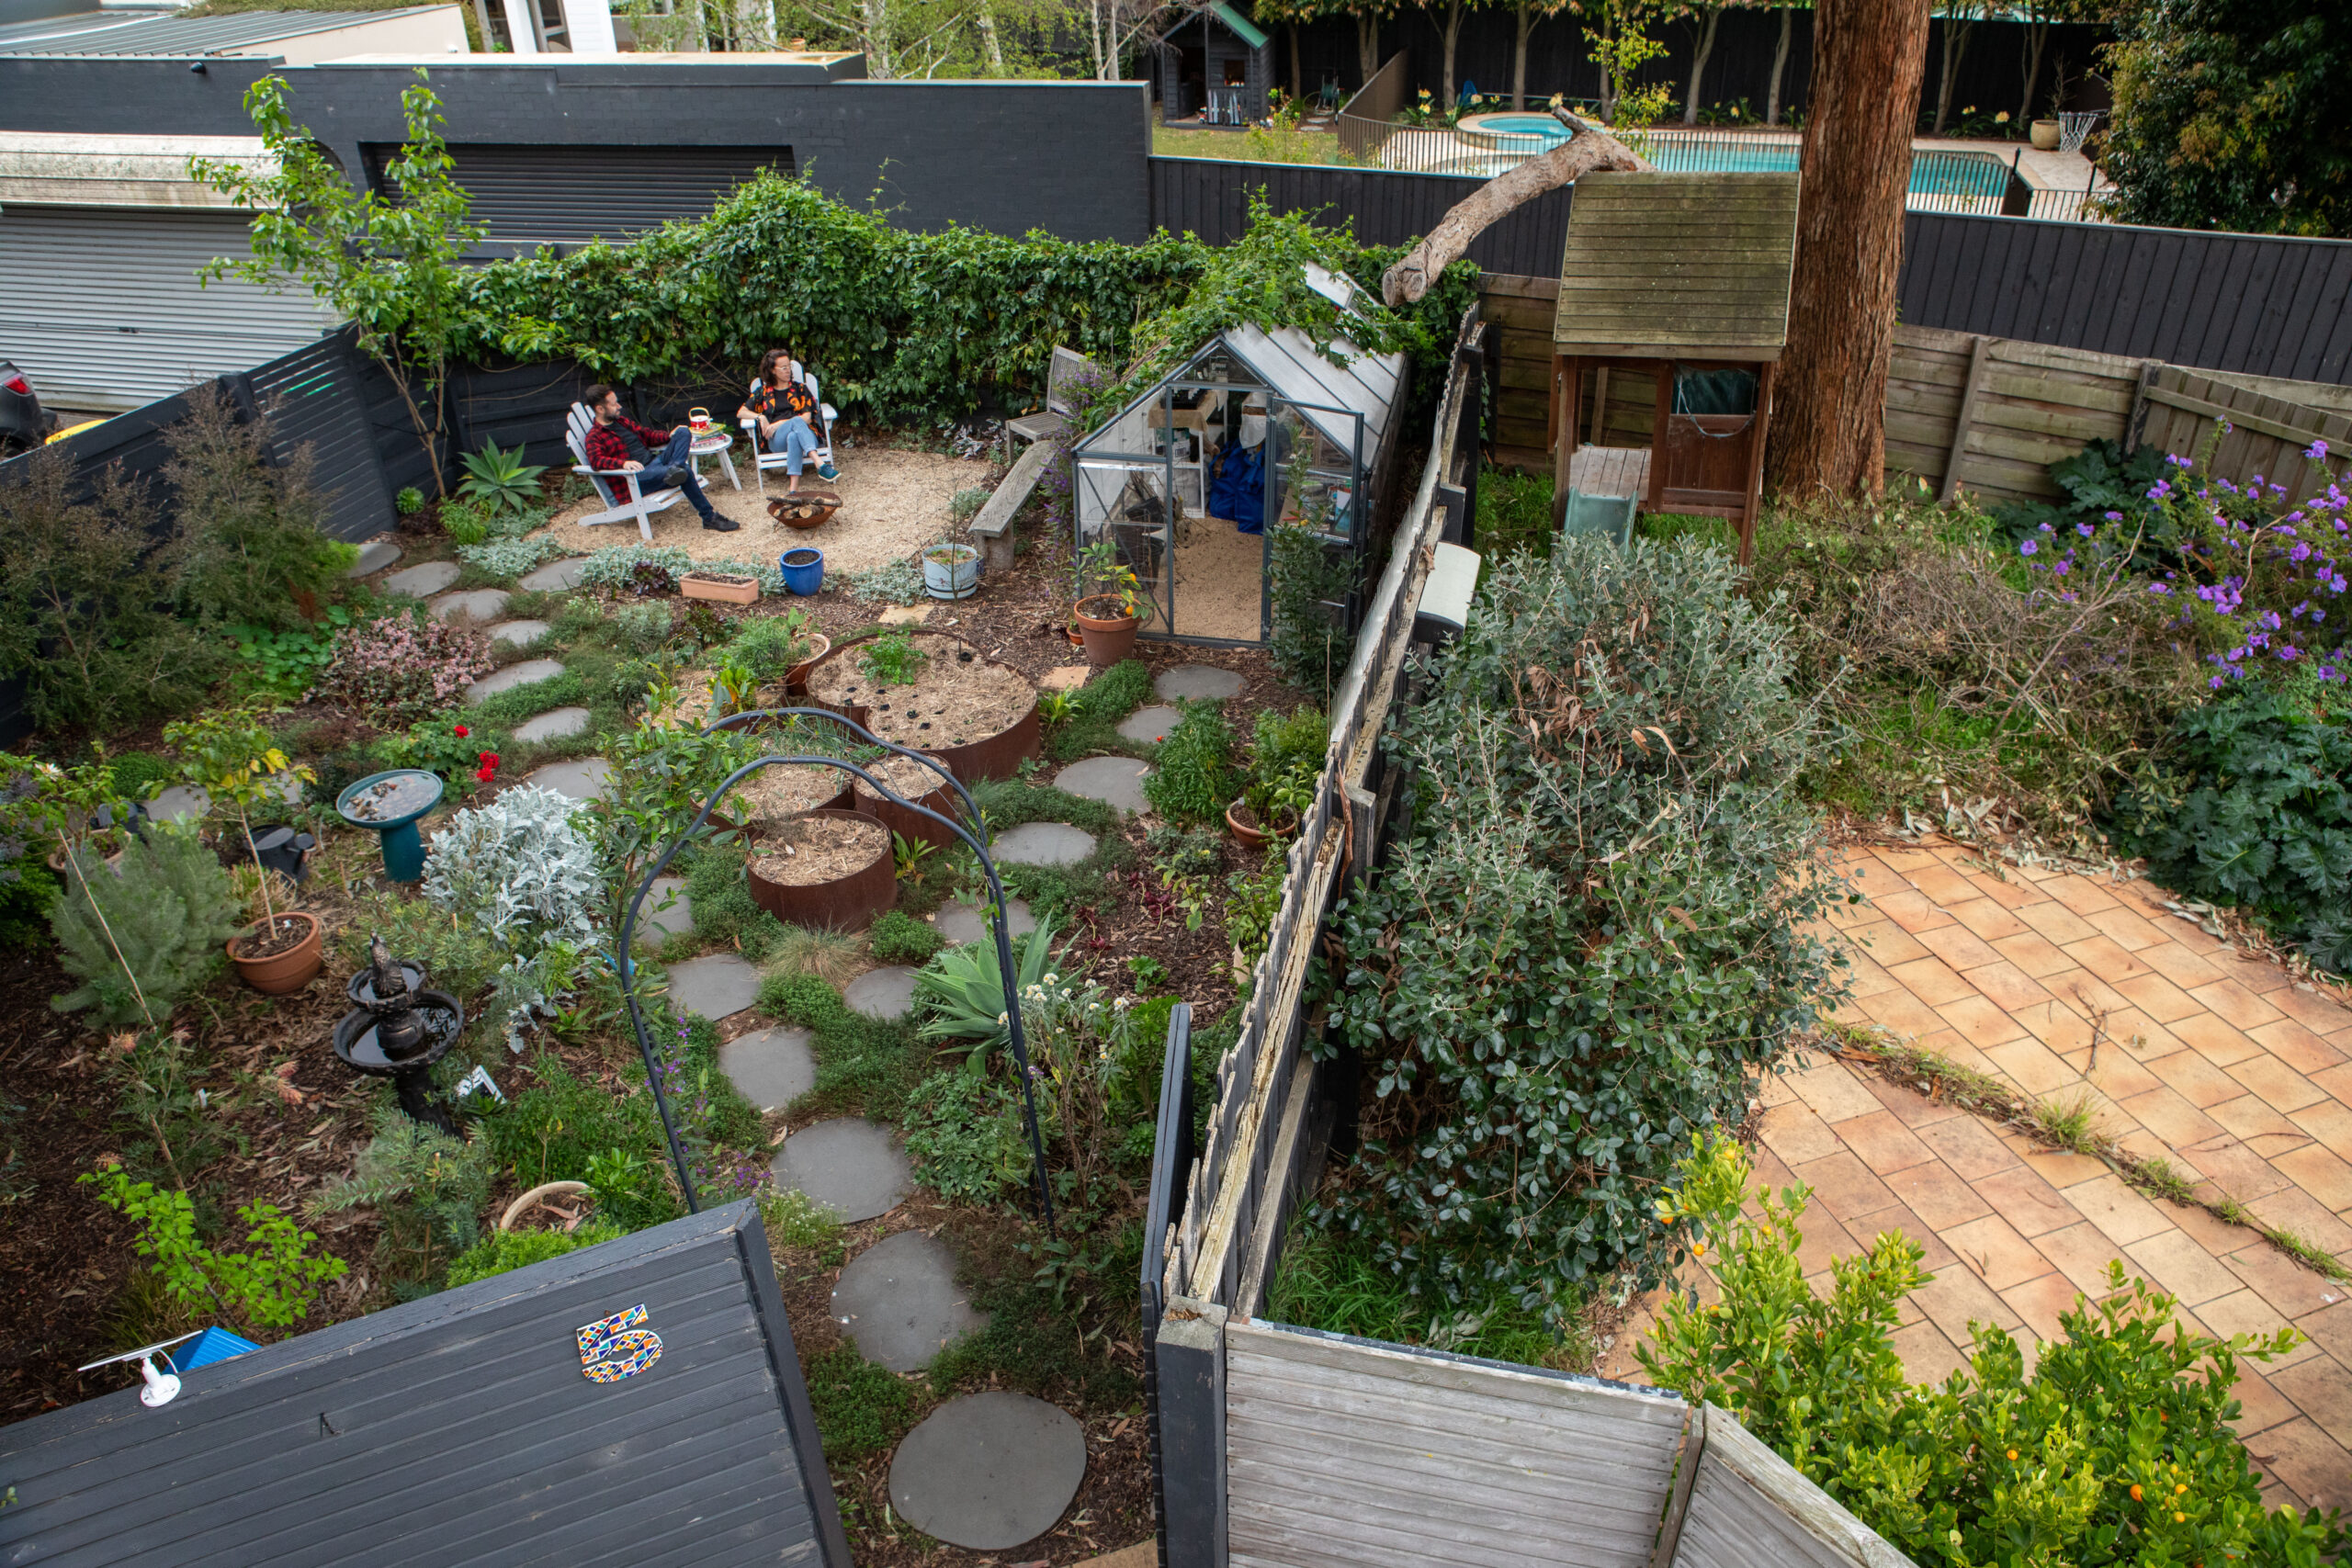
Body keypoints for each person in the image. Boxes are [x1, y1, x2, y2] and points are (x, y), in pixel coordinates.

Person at [581, 383, 737, 532]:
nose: (619, 406)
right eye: (614, 404)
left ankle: (676, 468)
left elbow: (647, 435)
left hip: (656, 462)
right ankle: (709, 517)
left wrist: (669, 435)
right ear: (600, 409)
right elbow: (596, 461)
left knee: (683, 431)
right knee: (686, 471)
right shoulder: (595, 436)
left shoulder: (621, 421)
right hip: (637, 478)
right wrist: (623, 463)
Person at [737, 349, 839, 495]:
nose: (788, 371)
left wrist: (779, 423)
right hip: (777, 440)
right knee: (794, 425)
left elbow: (807, 418)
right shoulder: (763, 392)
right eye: (784, 368)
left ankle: (793, 490)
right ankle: (820, 464)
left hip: (806, 434)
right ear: (773, 370)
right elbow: (741, 412)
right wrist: (761, 417)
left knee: (794, 434)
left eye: (789, 367)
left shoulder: (801, 389)